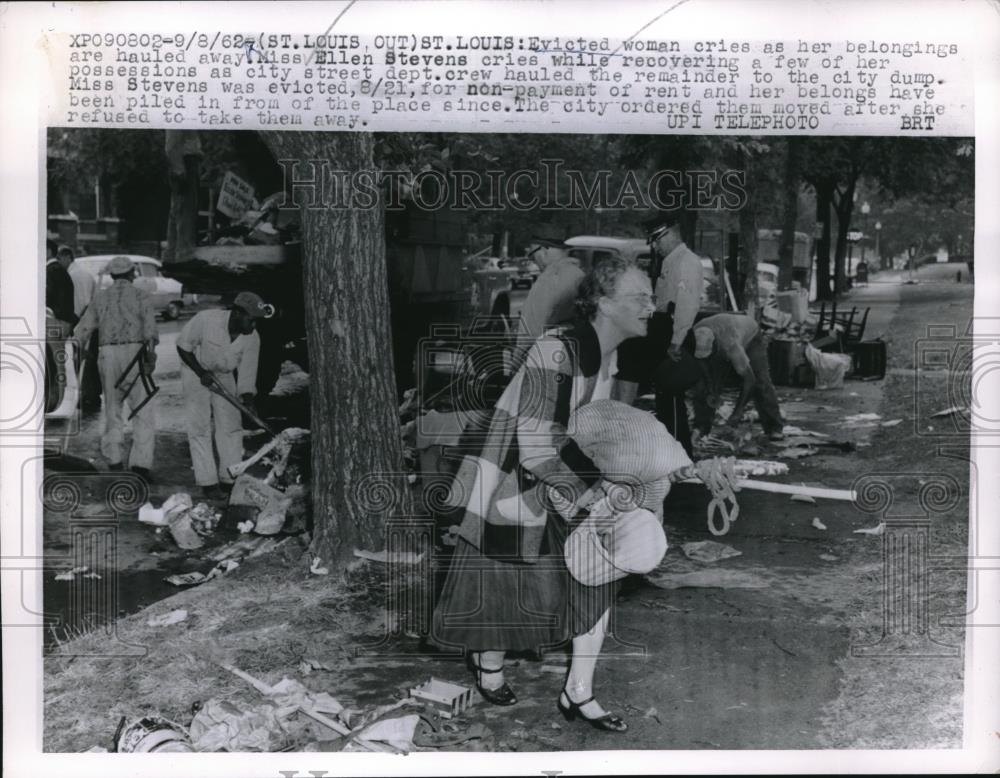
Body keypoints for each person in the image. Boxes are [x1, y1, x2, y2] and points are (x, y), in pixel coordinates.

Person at [432, 257, 656, 733]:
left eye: (651, 297)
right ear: (602, 303)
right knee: (504, 588)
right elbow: (536, 445)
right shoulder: (555, 350)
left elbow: (584, 430)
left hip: (551, 475)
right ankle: (488, 662)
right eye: (640, 298)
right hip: (510, 476)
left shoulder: (606, 353)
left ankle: (579, 691)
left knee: (596, 576)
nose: (652, 307)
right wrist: (594, 493)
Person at [617, 214, 704, 455]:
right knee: (666, 395)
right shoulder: (670, 261)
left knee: (670, 393)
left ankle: (680, 451)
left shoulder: (686, 262)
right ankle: (675, 450)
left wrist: (676, 343)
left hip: (675, 333)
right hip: (665, 328)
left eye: (656, 240)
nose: (654, 246)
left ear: (670, 234)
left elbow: (686, 305)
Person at [176, 292, 268, 499]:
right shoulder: (206, 319)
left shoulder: (252, 337)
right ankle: (208, 482)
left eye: (256, 321)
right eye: (250, 320)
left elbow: (247, 374)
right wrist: (201, 373)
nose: (253, 326)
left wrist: (249, 402)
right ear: (237, 313)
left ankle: (229, 478)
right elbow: (183, 346)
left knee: (231, 426)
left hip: (224, 375)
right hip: (195, 371)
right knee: (199, 427)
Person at [73, 256, 159, 476]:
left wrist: (80, 352)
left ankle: (114, 459)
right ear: (132, 274)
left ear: (112, 275)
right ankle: (141, 464)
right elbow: (150, 332)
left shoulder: (100, 298)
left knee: (113, 408)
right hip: (135, 352)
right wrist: (150, 359)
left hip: (107, 353)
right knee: (142, 408)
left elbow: (81, 331)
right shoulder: (142, 296)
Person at [691, 313, 785, 441]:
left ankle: (774, 426)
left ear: (715, 346)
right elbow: (701, 362)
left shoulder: (730, 344)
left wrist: (737, 413)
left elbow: (749, 380)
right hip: (722, 333)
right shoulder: (694, 334)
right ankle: (702, 427)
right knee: (701, 386)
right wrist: (711, 388)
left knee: (760, 380)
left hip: (751, 334)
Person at [514, 237, 585, 355]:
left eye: (532, 255)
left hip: (547, 355)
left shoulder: (549, 279)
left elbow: (532, 329)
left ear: (544, 250)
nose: (533, 261)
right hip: (576, 353)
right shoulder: (580, 275)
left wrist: (516, 361)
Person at [45, 239, 77, 330]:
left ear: (48, 251)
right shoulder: (59, 269)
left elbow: (47, 298)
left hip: (55, 322)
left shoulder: (51, 271)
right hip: (63, 321)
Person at [60, 245, 95, 320]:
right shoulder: (80, 273)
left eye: (59, 259)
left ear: (67, 257)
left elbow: (83, 303)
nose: (57, 262)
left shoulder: (74, 275)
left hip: (78, 320)